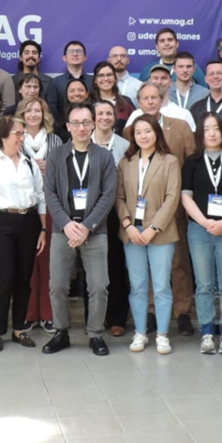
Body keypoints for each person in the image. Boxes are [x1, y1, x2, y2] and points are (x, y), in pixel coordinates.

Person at [42, 103, 119, 356]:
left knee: (99, 285)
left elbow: (108, 196)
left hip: (94, 231)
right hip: (63, 230)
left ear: (94, 124)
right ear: (68, 127)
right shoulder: (56, 156)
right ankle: (61, 331)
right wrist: (66, 224)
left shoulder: (104, 156)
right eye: (76, 123)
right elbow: (49, 192)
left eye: (86, 122)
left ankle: (95, 333)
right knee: (58, 285)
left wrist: (86, 226)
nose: (82, 127)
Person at [123, 82, 197, 333]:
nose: (151, 101)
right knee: (145, 271)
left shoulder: (180, 126)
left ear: (162, 99)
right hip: (139, 216)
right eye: (146, 98)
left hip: (173, 210)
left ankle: (183, 311)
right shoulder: (130, 131)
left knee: (178, 264)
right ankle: (151, 313)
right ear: (139, 102)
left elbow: (191, 165)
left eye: (155, 97)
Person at [0, 115, 45, 351]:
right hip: (1, 222)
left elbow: (41, 196)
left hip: (28, 221)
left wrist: (43, 228)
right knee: (4, 279)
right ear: (3, 135)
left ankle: (19, 329)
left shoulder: (29, 163)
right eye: (18, 133)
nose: (22, 137)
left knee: (24, 279)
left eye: (23, 133)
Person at [116, 115, 181, 354]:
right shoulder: (126, 162)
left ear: (156, 133)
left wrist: (153, 228)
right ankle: (140, 332)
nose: (143, 136)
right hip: (132, 232)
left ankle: (162, 334)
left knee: (162, 286)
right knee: (138, 285)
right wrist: (128, 225)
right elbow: (119, 197)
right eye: (138, 132)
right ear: (133, 136)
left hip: (160, 233)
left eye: (148, 131)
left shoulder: (170, 161)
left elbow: (172, 198)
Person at [182, 112, 222, 355]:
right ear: (200, 133)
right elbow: (185, 196)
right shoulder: (192, 161)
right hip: (199, 230)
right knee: (204, 283)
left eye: (216, 128)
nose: (212, 133)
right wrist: (205, 222)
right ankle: (207, 331)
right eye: (206, 129)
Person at [17, 96, 64, 332]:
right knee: (26, 261)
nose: (33, 114)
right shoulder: (15, 138)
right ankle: (28, 313)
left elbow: (65, 173)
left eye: (38, 110)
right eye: (29, 110)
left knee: (48, 263)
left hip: (51, 206)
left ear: (44, 114)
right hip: (25, 207)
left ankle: (47, 313)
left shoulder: (55, 140)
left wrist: (50, 167)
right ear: (22, 115)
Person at [92, 101, 132, 336]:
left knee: (116, 265)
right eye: (100, 113)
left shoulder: (125, 146)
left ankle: (117, 317)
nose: (105, 117)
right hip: (89, 212)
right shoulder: (83, 141)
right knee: (92, 267)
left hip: (117, 212)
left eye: (109, 113)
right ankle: (95, 318)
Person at [126, 65, 196, 130]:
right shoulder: (136, 115)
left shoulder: (182, 114)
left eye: (164, 78)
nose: (159, 82)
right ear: (149, 81)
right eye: (155, 78)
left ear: (170, 82)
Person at [15, 40, 64, 117]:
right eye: (27, 53)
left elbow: (52, 110)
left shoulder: (50, 82)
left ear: (39, 58)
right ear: (21, 57)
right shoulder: (12, 81)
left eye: (34, 53)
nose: (31, 56)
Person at [89, 61, 135, 134]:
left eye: (109, 75)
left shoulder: (126, 102)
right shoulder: (88, 104)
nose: (106, 79)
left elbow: (135, 128)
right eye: (101, 75)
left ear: (115, 78)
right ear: (95, 80)